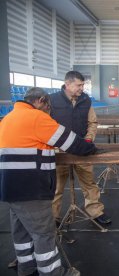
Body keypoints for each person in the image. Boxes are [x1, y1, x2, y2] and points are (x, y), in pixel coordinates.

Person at [0, 87, 100, 276]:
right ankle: (53, 272)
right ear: (41, 101)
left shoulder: (8, 119)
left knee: (22, 233)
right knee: (44, 233)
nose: (49, 110)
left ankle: (27, 269)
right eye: (48, 106)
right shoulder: (36, 117)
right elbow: (70, 142)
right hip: (31, 188)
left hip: (10, 187)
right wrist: (90, 149)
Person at [50, 71, 111, 226]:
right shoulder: (52, 100)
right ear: (67, 84)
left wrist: (89, 139)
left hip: (82, 150)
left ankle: (95, 212)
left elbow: (92, 123)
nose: (82, 88)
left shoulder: (85, 100)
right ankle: (53, 217)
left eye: (83, 85)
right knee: (56, 186)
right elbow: (46, 125)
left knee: (89, 183)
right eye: (79, 85)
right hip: (58, 151)